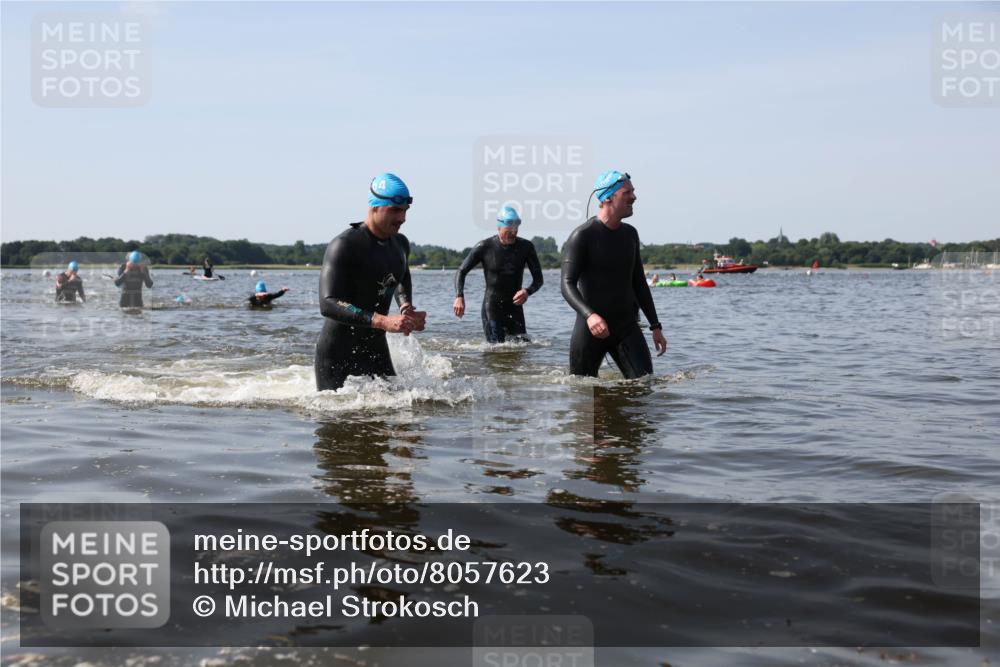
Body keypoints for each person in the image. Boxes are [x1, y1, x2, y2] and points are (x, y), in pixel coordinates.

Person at [315, 172, 427, 391]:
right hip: (337, 354)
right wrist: (383, 321)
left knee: (402, 417)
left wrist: (406, 307)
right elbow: (327, 303)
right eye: (395, 210)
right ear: (374, 207)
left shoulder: (401, 244)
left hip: (375, 348)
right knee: (336, 421)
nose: (402, 218)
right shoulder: (345, 245)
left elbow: (401, 275)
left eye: (405, 211)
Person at [560, 170, 667, 378]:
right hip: (590, 330)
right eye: (627, 192)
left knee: (644, 387)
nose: (634, 197)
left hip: (626, 327)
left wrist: (655, 326)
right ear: (608, 197)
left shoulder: (630, 235)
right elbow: (567, 283)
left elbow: (639, 284)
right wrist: (589, 315)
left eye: (633, 192)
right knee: (584, 396)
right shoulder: (583, 235)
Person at [453, 206, 543, 343]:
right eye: (509, 230)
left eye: (516, 229)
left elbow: (539, 279)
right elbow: (461, 271)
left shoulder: (526, 247)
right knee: (497, 350)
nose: (513, 233)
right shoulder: (484, 247)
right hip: (492, 307)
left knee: (522, 350)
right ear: (499, 227)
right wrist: (459, 296)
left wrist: (527, 291)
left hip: (515, 308)